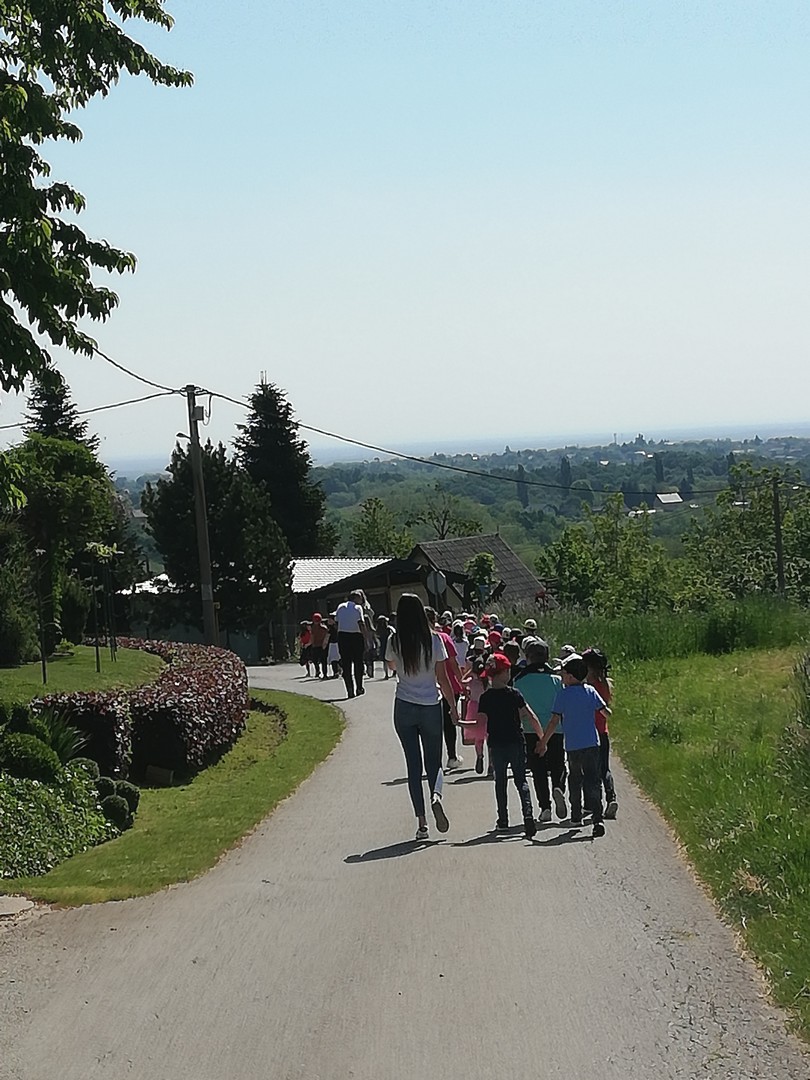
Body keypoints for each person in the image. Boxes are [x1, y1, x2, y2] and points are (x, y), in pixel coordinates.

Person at [386, 593, 460, 841]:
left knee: (413, 766)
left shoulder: (395, 640)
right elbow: (443, 678)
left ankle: (422, 823)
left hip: (404, 705)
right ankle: (436, 796)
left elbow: (391, 667)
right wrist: (452, 706)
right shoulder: (434, 639)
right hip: (430, 704)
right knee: (434, 763)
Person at [539, 654, 607, 838]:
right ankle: (597, 818)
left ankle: (576, 815)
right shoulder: (590, 691)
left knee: (575, 779)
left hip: (573, 745)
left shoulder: (562, 695)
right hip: (592, 743)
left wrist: (543, 742)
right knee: (593, 781)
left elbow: (554, 721)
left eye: (563, 674)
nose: (561, 677)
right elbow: (604, 711)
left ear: (570, 676)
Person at [476, 652, 542, 838]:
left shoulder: (486, 698)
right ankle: (528, 816)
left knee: (501, 782)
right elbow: (531, 716)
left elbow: (479, 724)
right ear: (504, 672)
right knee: (521, 781)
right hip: (516, 742)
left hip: (496, 745)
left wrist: (459, 722)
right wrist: (542, 739)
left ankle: (503, 820)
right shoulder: (514, 694)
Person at [514, 639, 567, 822]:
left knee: (538, 770)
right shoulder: (557, 680)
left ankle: (545, 808)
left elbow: (519, 709)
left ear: (528, 658)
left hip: (531, 730)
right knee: (558, 764)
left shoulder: (519, 681)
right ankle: (559, 787)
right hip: (555, 729)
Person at [425, 606, 464, 771]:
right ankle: (452, 756)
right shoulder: (444, 638)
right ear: (434, 620)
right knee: (449, 724)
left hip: (428, 688)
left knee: (433, 726)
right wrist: (462, 683)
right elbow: (454, 665)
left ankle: (434, 759)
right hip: (450, 686)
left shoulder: (421, 640)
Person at [582, 647, 618, 819]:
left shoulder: (588, 686)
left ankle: (589, 804)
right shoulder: (605, 684)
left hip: (588, 733)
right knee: (604, 768)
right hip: (602, 731)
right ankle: (611, 797)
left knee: (588, 770)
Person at [334, 590, 370, 698]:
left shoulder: (340, 607)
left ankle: (349, 689)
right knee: (358, 663)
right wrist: (366, 639)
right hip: (356, 636)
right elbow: (361, 623)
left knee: (346, 664)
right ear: (355, 598)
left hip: (343, 636)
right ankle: (359, 687)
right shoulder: (358, 608)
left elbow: (336, 622)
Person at [309, 613, 329, 679]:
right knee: (315, 660)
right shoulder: (314, 628)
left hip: (320, 646)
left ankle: (324, 674)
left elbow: (326, 637)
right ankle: (318, 671)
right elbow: (312, 637)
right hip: (316, 645)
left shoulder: (323, 628)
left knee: (323, 661)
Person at [375, 614, 392, 679]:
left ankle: (386, 674)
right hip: (389, 645)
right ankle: (394, 672)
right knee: (391, 659)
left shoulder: (378, 630)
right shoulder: (388, 629)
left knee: (384, 661)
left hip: (382, 646)